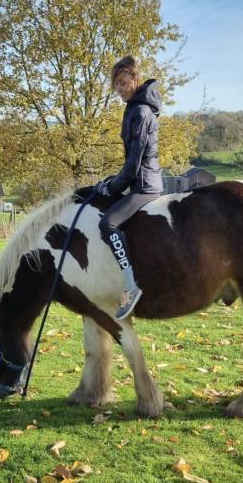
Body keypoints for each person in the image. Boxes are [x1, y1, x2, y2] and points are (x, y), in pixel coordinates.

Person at [97, 55, 163, 320]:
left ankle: (130, 285)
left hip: (144, 187)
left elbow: (134, 165)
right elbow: (131, 161)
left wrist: (112, 188)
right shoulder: (135, 107)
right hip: (139, 181)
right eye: (117, 86)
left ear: (135, 79)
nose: (120, 90)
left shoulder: (141, 111)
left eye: (124, 83)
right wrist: (110, 181)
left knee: (108, 224)